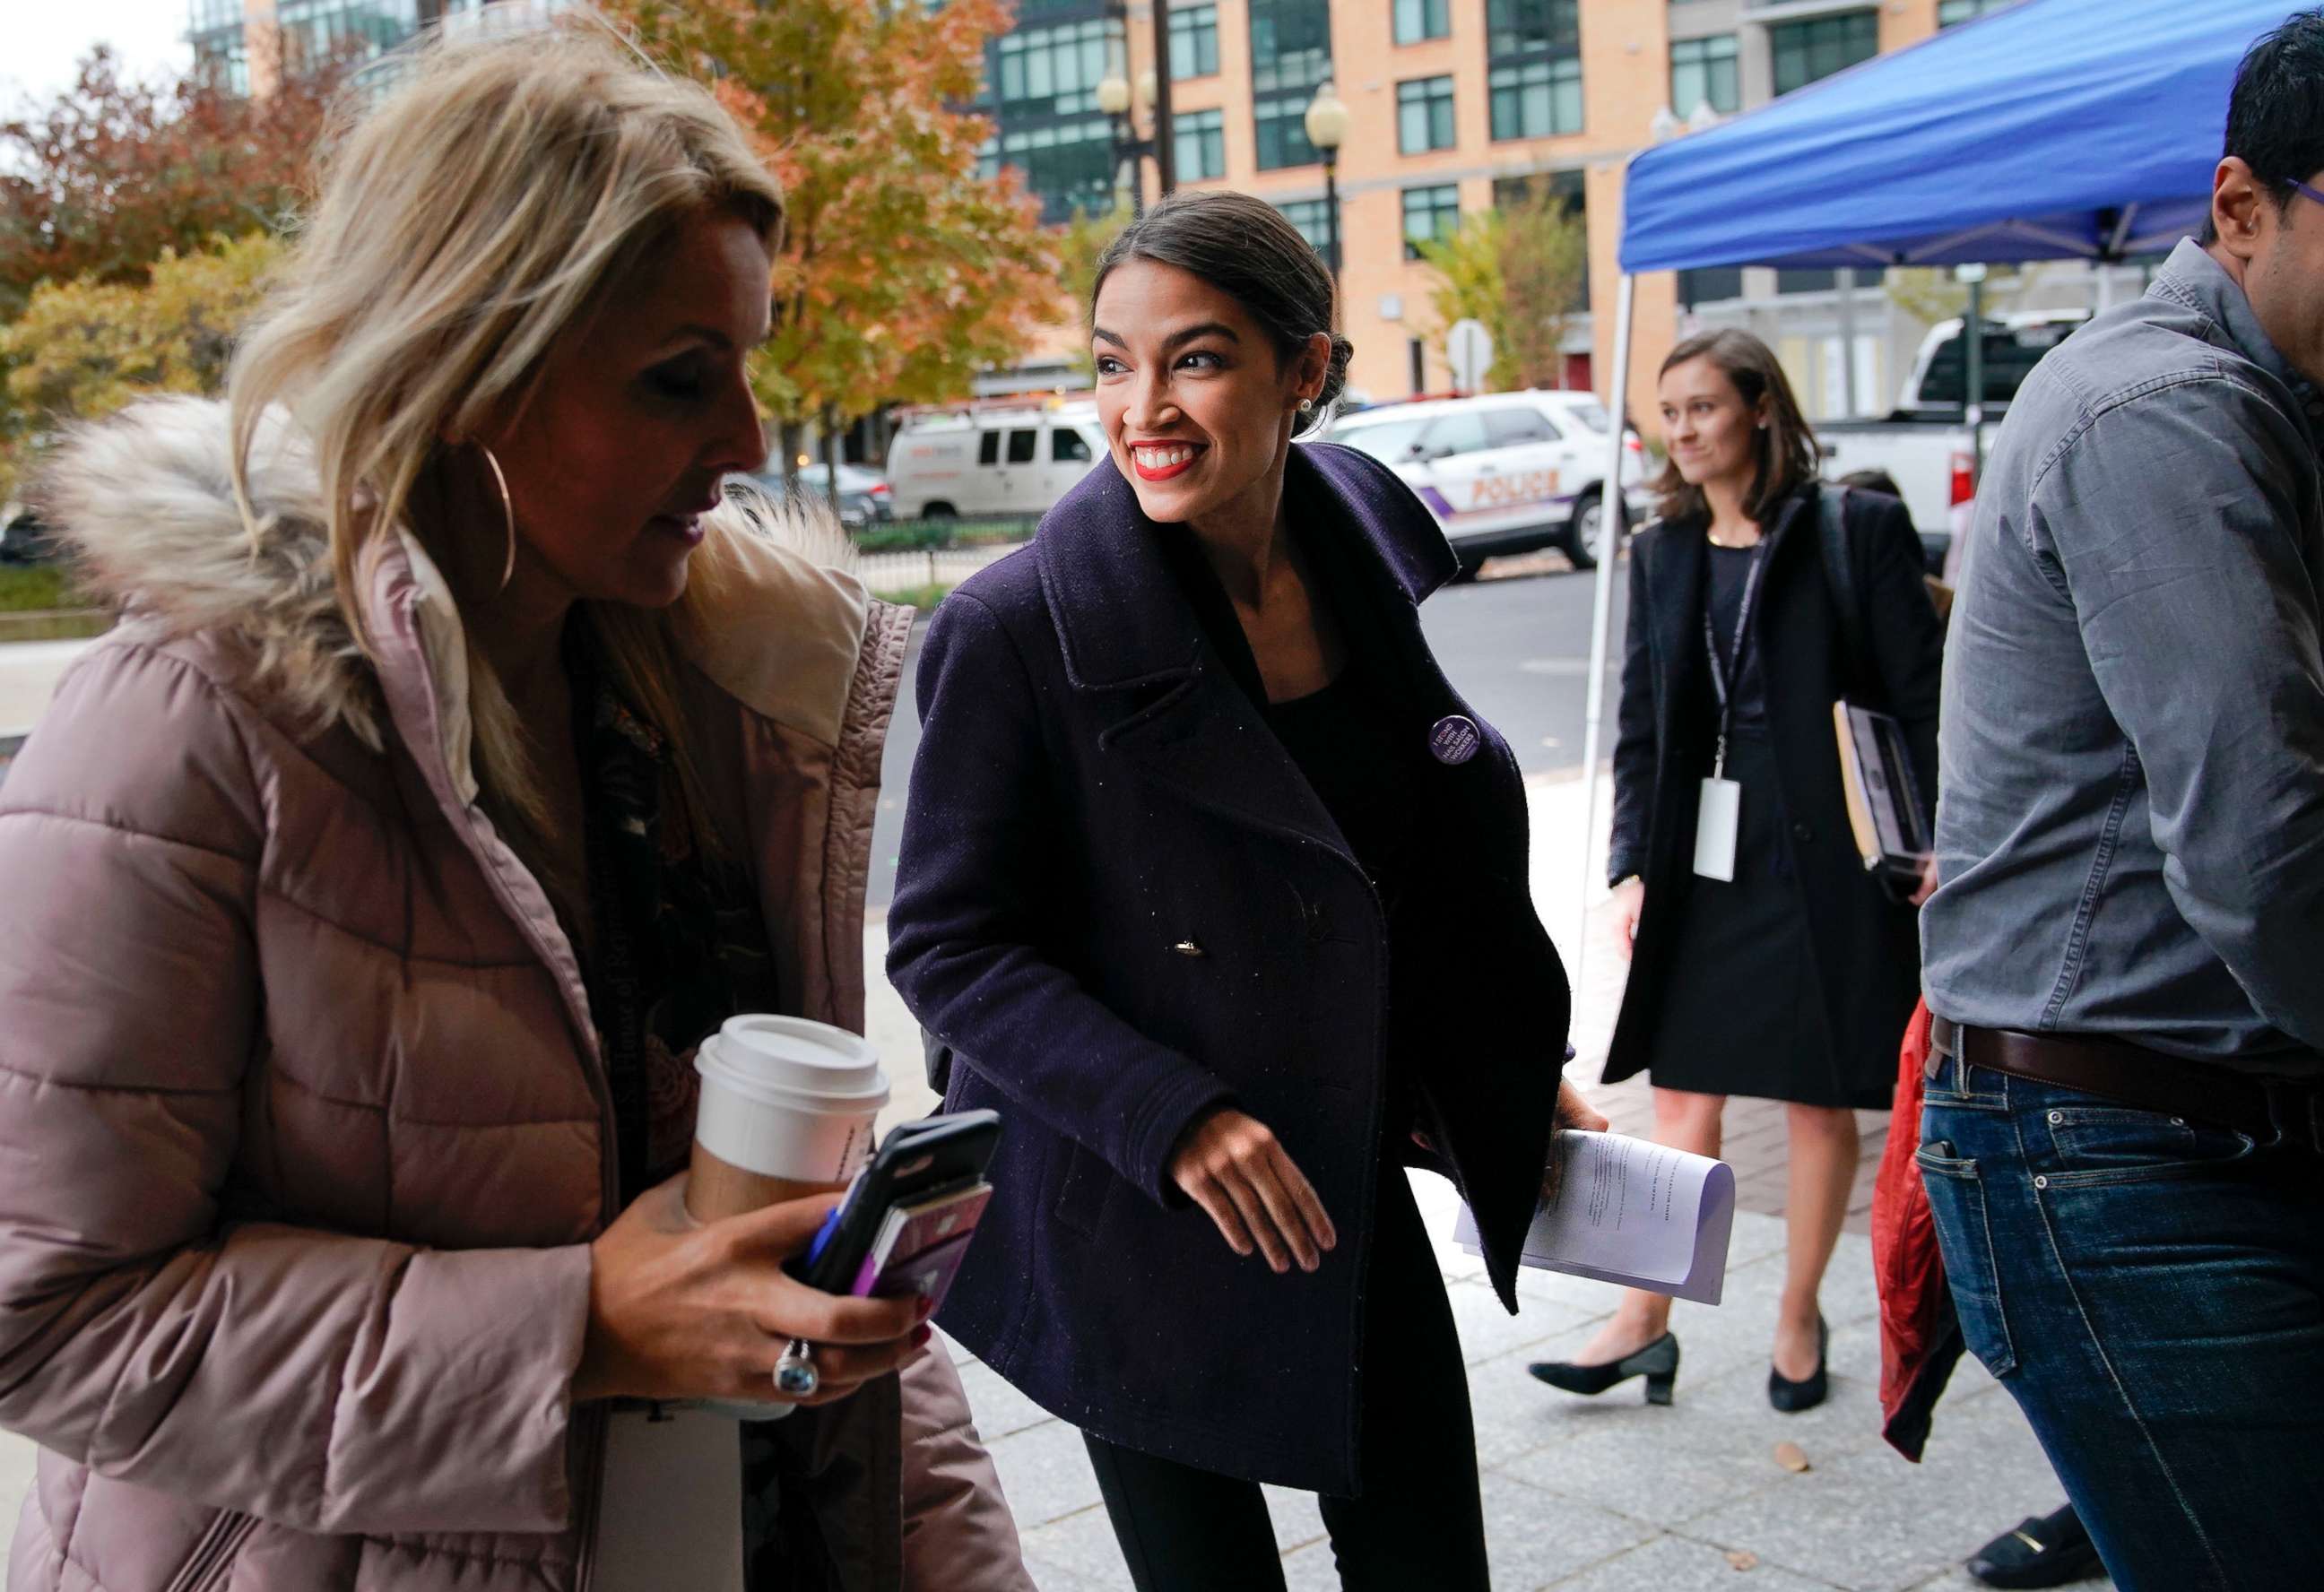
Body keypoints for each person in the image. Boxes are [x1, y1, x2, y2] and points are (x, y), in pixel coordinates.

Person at [0, 26, 1027, 1591]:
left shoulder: (713, 706)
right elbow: (45, 1318)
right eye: (681, 380)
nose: (748, 444)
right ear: (467, 364)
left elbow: (780, 1267)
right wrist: (579, 1331)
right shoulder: (189, 728)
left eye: (749, 368)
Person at [884, 191, 1602, 1592]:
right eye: (1111, 362)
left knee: (1431, 1564)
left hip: (1331, 1183)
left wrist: (1492, 1057)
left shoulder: (1361, 551)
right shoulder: (1016, 628)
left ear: (1306, 372)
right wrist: (1174, 1114)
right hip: (1132, 1209)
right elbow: (948, 945)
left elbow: (1386, 860)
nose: (1142, 406)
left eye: (1196, 358)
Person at [1919, 13, 2324, 1587]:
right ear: (2239, 208)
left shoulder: (2268, 401)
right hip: (2112, 1155)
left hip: (2178, 1126)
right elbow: (2263, 841)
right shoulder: (2160, 412)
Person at [1530, 329, 1945, 1413]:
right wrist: (1631, 868)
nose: (1682, 431)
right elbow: (1639, 727)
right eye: (1669, 413)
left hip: (1830, 854)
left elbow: (1924, 698)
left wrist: (1942, 841)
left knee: (1817, 1104)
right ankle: (1641, 1318)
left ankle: (1799, 1310)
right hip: (1704, 856)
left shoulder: (1850, 529)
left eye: (1703, 407)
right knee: (1681, 1094)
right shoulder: (1662, 552)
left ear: (1761, 407)